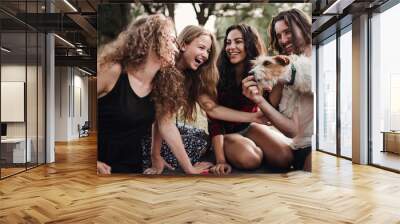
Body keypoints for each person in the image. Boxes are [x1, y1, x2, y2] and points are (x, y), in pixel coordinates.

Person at [144, 25, 267, 175]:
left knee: (198, 141)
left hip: (160, 133)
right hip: (139, 135)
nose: (205, 55)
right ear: (183, 45)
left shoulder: (191, 76)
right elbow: (164, 122)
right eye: (201, 47)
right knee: (194, 146)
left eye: (208, 51)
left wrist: (254, 117)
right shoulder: (166, 68)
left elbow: (209, 108)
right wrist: (187, 168)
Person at [96, 14, 210, 174]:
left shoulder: (162, 84)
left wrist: (189, 168)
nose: (175, 48)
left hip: (129, 167)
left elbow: (166, 125)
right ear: (152, 40)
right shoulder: (114, 71)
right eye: (171, 40)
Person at [207, 24, 286, 174]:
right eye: (228, 43)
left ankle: (252, 145)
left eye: (238, 41)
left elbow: (269, 108)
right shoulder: (216, 74)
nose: (231, 47)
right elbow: (213, 119)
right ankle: (241, 148)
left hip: (249, 127)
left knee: (284, 158)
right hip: (224, 134)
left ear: (249, 44)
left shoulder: (260, 71)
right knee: (251, 159)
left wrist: (278, 72)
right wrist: (220, 160)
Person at [242, 8, 313, 171]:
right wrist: (259, 99)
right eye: (279, 35)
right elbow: (291, 130)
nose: (283, 40)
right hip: (298, 146)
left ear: (303, 26)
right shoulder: (285, 65)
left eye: (287, 32)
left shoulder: (310, 63)